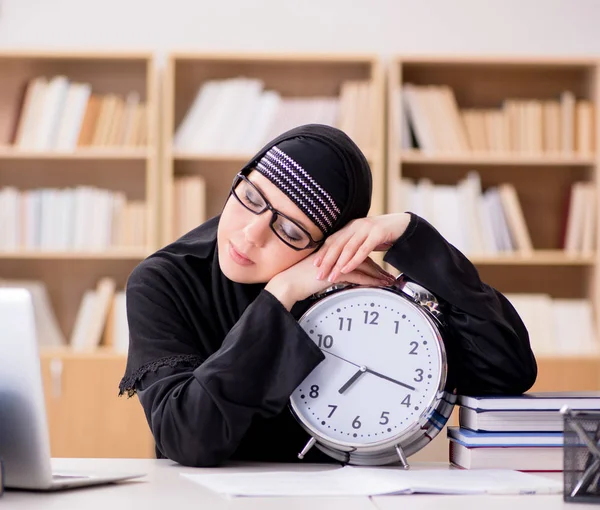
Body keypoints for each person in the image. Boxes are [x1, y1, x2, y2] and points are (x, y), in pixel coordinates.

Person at [119, 124, 537, 467]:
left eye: (291, 230)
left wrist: (411, 235)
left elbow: (507, 371)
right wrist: (281, 293)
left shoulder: (355, 294)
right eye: (250, 197)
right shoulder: (163, 282)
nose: (250, 235)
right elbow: (187, 436)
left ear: (326, 245)